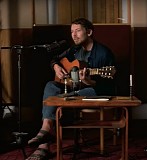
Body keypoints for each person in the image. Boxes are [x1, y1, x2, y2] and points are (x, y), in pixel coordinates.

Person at [26, 17, 116, 160]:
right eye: (72, 31)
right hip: (73, 89)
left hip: (93, 92)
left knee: (55, 100)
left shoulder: (103, 53)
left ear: (89, 32)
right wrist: (56, 67)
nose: (74, 35)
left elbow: (107, 86)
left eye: (78, 31)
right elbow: (55, 59)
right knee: (51, 85)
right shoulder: (74, 50)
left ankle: (43, 144)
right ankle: (46, 128)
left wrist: (87, 80)